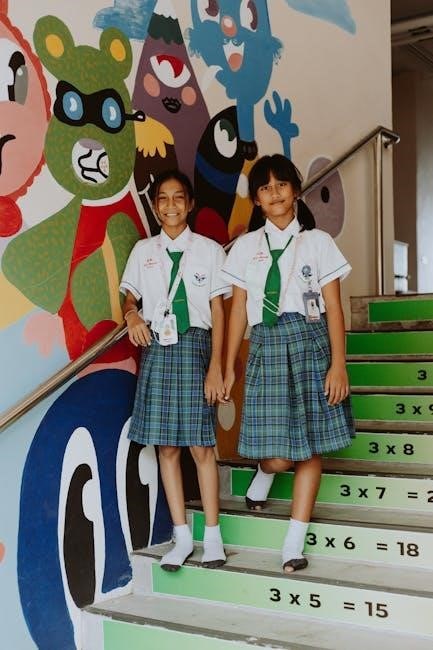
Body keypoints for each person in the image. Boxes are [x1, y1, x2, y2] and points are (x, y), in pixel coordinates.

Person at [221, 154, 354, 573]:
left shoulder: (318, 242)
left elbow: (334, 308)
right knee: (279, 456)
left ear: (295, 191)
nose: (274, 193)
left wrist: (338, 364)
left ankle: (293, 542)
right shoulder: (245, 247)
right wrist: (229, 363)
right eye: (265, 187)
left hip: (311, 344)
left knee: (310, 447)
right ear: (257, 200)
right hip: (266, 345)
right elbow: (238, 311)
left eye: (281, 184)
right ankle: (266, 470)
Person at [120, 169, 230, 571]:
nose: (171, 205)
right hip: (158, 348)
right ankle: (182, 537)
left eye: (178, 197)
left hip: (197, 347)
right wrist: (132, 315)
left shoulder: (210, 251)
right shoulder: (143, 251)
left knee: (201, 446)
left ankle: (213, 537)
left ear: (191, 203)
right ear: (154, 206)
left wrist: (216, 367)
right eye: (163, 198)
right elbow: (129, 296)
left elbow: (219, 311)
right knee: (166, 447)